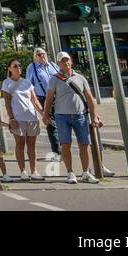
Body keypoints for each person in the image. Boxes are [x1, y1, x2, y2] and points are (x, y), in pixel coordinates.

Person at [41, 51, 101, 185]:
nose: (66, 62)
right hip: (62, 116)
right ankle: (70, 173)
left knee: (84, 145)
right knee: (65, 145)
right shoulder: (54, 79)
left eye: (67, 60)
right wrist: (45, 115)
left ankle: (86, 172)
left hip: (80, 115)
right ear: (58, 64)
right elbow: (49, 99)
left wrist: (94, 115)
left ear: (71, 61)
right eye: (62, 61)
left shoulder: (80, 78)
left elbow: (90, 98)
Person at [1, 57, 42, 181]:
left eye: (19, 66)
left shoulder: (27, 82)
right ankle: (23, 171)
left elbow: (34, 100)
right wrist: (11, 117)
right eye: (15, 66)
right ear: (9, 69)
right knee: (20, 144)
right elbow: (7, 102)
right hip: (18, 118)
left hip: (32, 117)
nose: (18, 68)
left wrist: (44, 114)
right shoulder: (7, 83)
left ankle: (34, 171)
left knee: (32, 145)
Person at [26, 48, 61, 155]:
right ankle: (57, 152)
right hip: (44, 98)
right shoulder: (32, 67)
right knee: (51, 124)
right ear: (35, 57)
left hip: (59, 97)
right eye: (38, 54)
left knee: (62, 122)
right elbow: (28, 85)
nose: (41, 56)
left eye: (43, 54)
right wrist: (33, 100)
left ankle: (64, 149)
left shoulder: (53, 65)